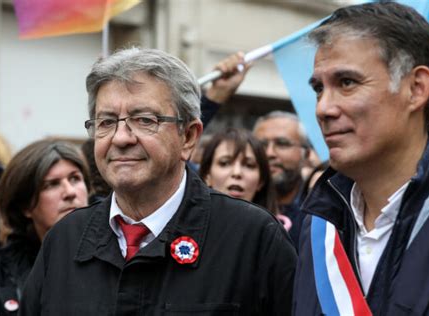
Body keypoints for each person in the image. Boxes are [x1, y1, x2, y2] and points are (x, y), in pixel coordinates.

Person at [20, 48, 296, 315]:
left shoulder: (253, 237)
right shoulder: (64, 240)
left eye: (144, 120)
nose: (121, 138)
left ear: (188, 137)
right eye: (106, 122)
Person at [293, 3, 429, 315]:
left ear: (416, 88)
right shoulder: (319, 224)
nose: (323, 108)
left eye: (347, 82)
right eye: (319, 88)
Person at [0, 139, 89, 315]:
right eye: (52, 184)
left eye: (75, 178)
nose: (70, 192)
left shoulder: (121, 249)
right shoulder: (3, 278)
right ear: (26, 206)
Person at [253, 111, 310, 246]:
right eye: (262, 144)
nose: (269, 153)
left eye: (282, 144)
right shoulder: (238, 202)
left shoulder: (321, 212)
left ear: (305, 155)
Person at [199, 127, 280, 214]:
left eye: (249, 165)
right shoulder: (186, 224)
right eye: (225, 163)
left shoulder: (277, 227)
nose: (237, 173)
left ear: (261, 181)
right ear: (207, 176)